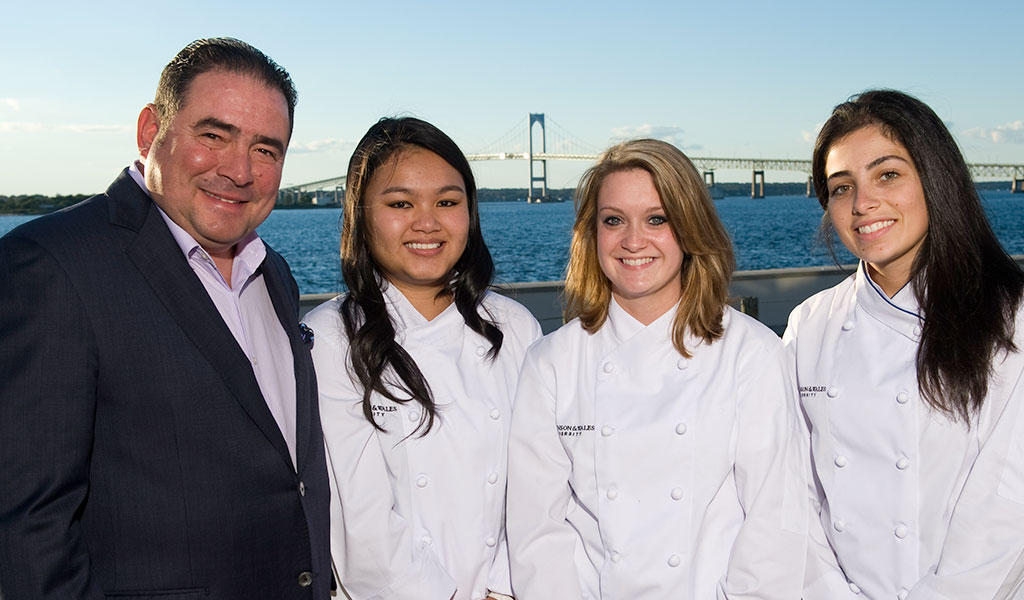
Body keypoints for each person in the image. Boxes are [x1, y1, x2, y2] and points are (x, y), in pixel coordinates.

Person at [0, 38, 331, 599]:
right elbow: (26, 528)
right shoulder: (52, 265)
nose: (239, 170)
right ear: (151, 131)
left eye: (266, 150)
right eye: (213, 135)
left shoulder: (270, 271)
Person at [506, 139, 807, 599]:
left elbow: (774, 523)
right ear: (592, 234)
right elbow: (537, 531)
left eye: (657, 219)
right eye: (613, 221)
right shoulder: (550, 364)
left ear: (689, 228)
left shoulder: (752, 354)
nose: (632, 241)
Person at [786, 89, 1024, 599]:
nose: (864, 202)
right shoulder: (809, 326)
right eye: (841, 186)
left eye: (887, 174)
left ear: (936, 178)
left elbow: (1007, 508)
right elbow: (792, 494)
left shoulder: (1013, 319)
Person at [303, 117, 542, 600]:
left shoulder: (516, 328)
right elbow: (360, 519)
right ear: (361, 215)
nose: (427, 222)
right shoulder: (329, 339)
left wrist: (504, 586)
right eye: (400, 204)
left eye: (447, 202)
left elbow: (541, 483)